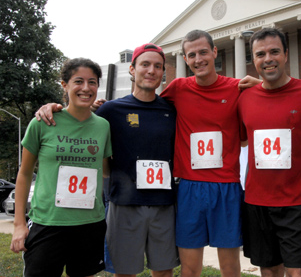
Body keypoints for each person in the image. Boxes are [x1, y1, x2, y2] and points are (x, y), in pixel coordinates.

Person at [35, 44, 179, 277]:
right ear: (132, 69)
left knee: (163, 271)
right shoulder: (111, 110)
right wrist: (53, 107)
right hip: (123, 203)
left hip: (164, 203)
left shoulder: (172, 110)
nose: (151, 70)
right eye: (145, 64)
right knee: (124, 272)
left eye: (158, 66)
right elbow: (78, 119)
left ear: (163, 72)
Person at [160, 29, 254, 277]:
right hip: (190, 187)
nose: (198, 59)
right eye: (191, 55)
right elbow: (144, 104)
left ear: (214, 52)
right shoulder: (178, 88)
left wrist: (262, 86)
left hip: (226, 186)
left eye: (203, 52)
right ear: (185, 59)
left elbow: (279, 96)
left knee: (230, 268)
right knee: (190, 269)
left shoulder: (237, 88)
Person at [238, 28, 301, 277]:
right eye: (260, 54)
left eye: (274, 51)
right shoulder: (244, 99)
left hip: (297, 202)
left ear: (286, 54)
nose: (268, 58)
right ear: (253, 59)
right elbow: (241, 140)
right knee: (268, 271)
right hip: (256, 202)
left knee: (298, 272)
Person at [10, 58, 112, 277]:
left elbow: (105, 171)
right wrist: (19, 224)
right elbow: (25, 174)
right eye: (79, 81)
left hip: (90, 225)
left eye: (92, 82)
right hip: (48, 223)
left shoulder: (103, 126)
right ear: (64, 85)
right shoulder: (43, 122)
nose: (86, 88)